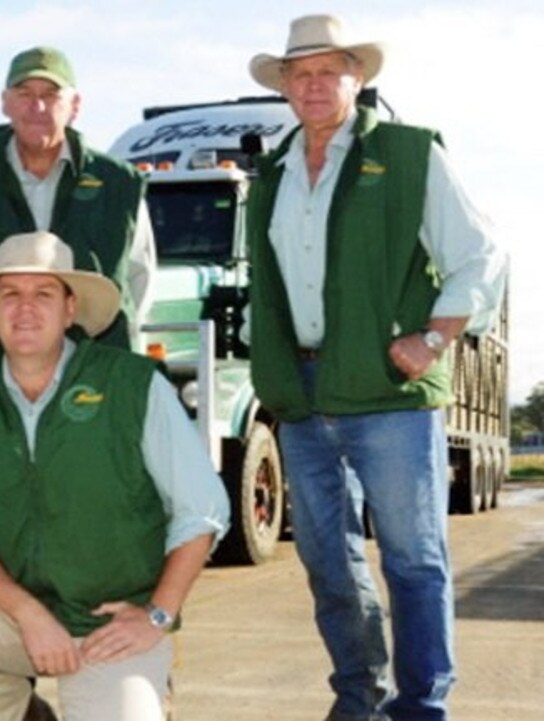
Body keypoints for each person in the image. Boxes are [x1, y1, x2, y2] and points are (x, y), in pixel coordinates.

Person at [244, 15, 507, 721]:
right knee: (328, 563)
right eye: (301, 73)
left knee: (413, 560)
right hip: (300, 395)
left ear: (359, 80)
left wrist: (433, 338)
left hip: (389, 394)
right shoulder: (270, 174)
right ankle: (359, 697)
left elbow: (482, 257)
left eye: (331, 70)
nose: (315, 84)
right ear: (286, 88)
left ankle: (421, 707)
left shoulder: (408, 153)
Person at [0, 231, 229, 721]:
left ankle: (146, 689)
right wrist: (29, 614)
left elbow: (201, 513)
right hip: (13, 612)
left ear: (70, 309)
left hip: (112, 621)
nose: (25, 309)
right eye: (10, 294)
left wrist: (156, 615)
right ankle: (20, 714)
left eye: (43, 294)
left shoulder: (132, 385)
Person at [0, 46, 156, 374]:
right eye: (24, 93)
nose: (37, 106)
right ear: (5, 102)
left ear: (74, 106)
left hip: (98, 380)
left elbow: (140, 284)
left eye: (51, 94)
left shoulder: (119, 185)